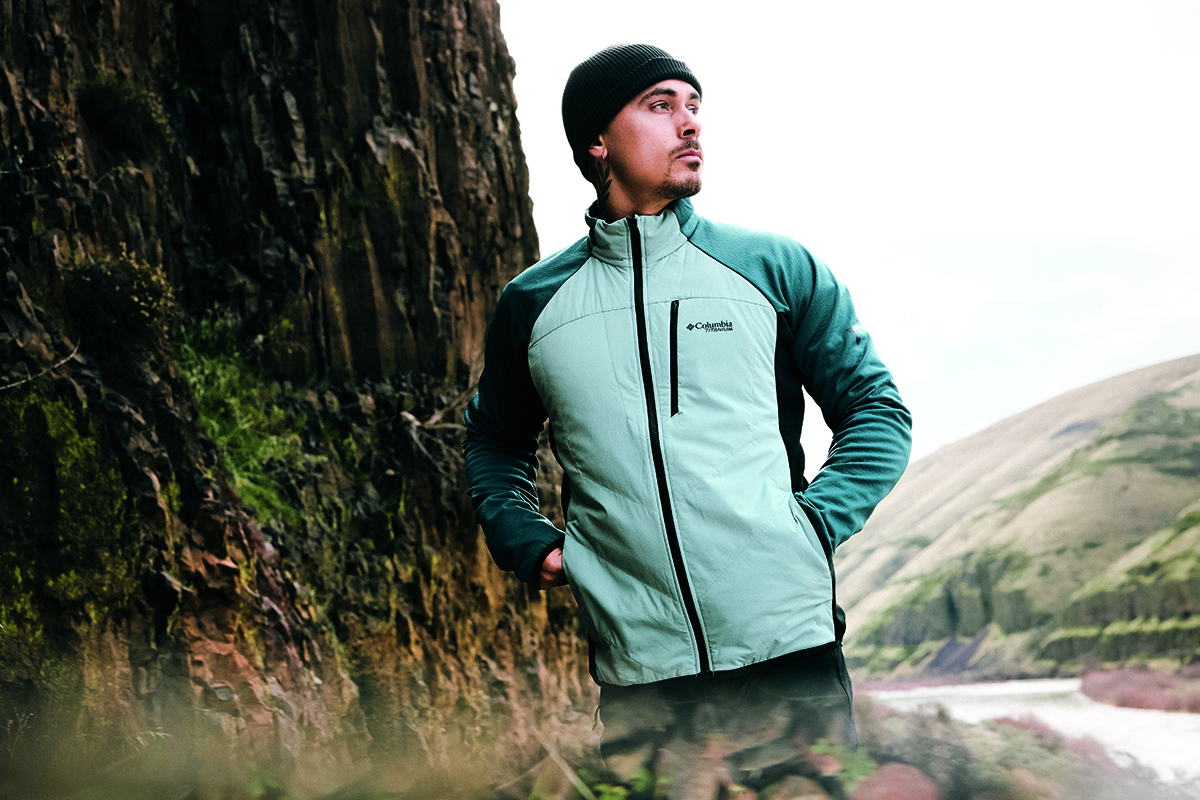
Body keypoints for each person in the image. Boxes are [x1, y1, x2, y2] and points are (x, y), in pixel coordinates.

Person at [463, 44, 911, 794]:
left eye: (694, 105)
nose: (690, 124)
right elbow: (494, 441)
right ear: (597, 141)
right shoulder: (533, 304)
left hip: (788, 656)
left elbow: (876, 410)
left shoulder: (773, 266)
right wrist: (526, 538)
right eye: (660, 105)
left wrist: (810, 525)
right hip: (641, 672)